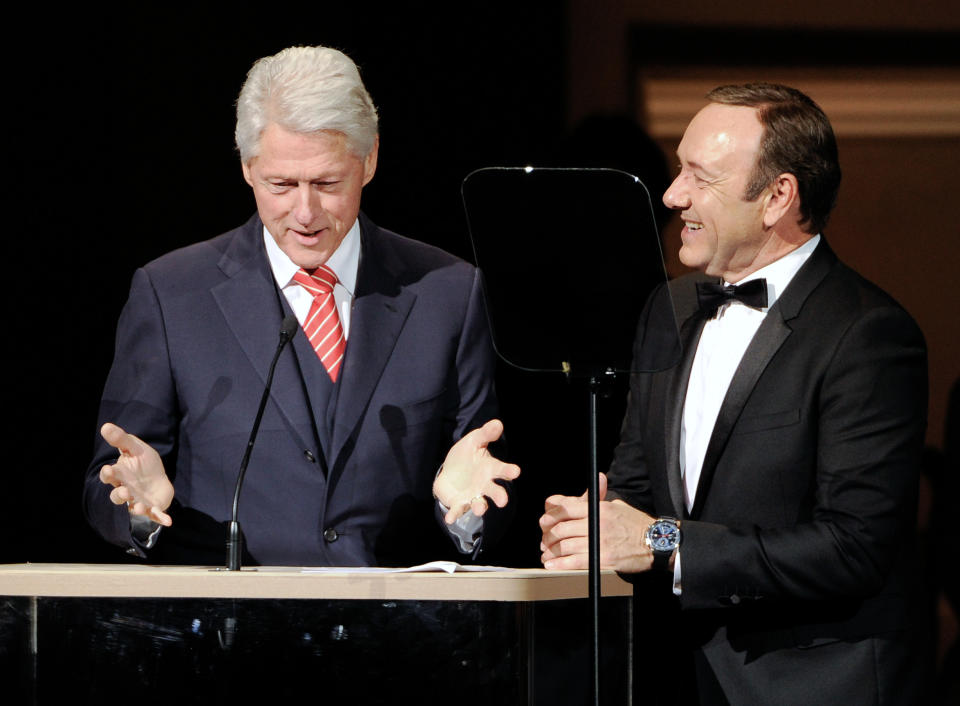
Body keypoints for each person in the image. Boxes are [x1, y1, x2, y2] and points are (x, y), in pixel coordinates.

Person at [539, 83, 928, 704]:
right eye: (677, 170)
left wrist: (661, 543)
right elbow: (638, 489)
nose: (672, 196)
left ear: (778, 196)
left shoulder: (867, 334)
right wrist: (588, 525)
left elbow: (855, 546)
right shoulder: (668, 307)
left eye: (701, 177)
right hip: (673, 676)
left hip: (809, 685)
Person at [83, 46, 519, 567]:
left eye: (328, 183)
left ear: (370, 160)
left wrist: (467, 511)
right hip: (230, 631)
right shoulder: (170, 294)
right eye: (282, 185)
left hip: (398, 629)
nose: (306, 212)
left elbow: (485, 480)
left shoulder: (448, 292)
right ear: (248, 167)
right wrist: (138, 511)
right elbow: (110, 479)